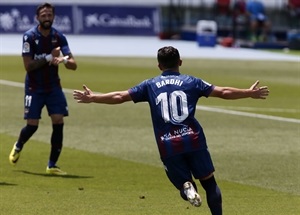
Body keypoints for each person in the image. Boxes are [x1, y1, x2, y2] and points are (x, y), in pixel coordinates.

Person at [73, 46, 269, 214]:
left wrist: (94, 98)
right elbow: (223, 92)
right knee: (209, 183)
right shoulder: (192, 81)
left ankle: (187, 187)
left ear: (159, 66)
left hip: (168, 143)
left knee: (184, 185)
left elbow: (120, 96)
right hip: (193, 139)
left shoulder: (149, 85)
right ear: (180, 62)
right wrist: (249, 93)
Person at [9, 2, 77, 176]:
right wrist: (49, 57)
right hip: (34, 87)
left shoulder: (59, 37)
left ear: (53, 17)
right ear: (37, 18)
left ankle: (52, 165)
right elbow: (28, 66)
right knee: (32, 125)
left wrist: (63, 60)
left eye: (49, 15)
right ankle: (18, 145)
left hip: (53, 86)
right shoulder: (29, 37)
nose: (47, 18)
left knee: (58, 121)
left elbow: (73, 65)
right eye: (44, 15)